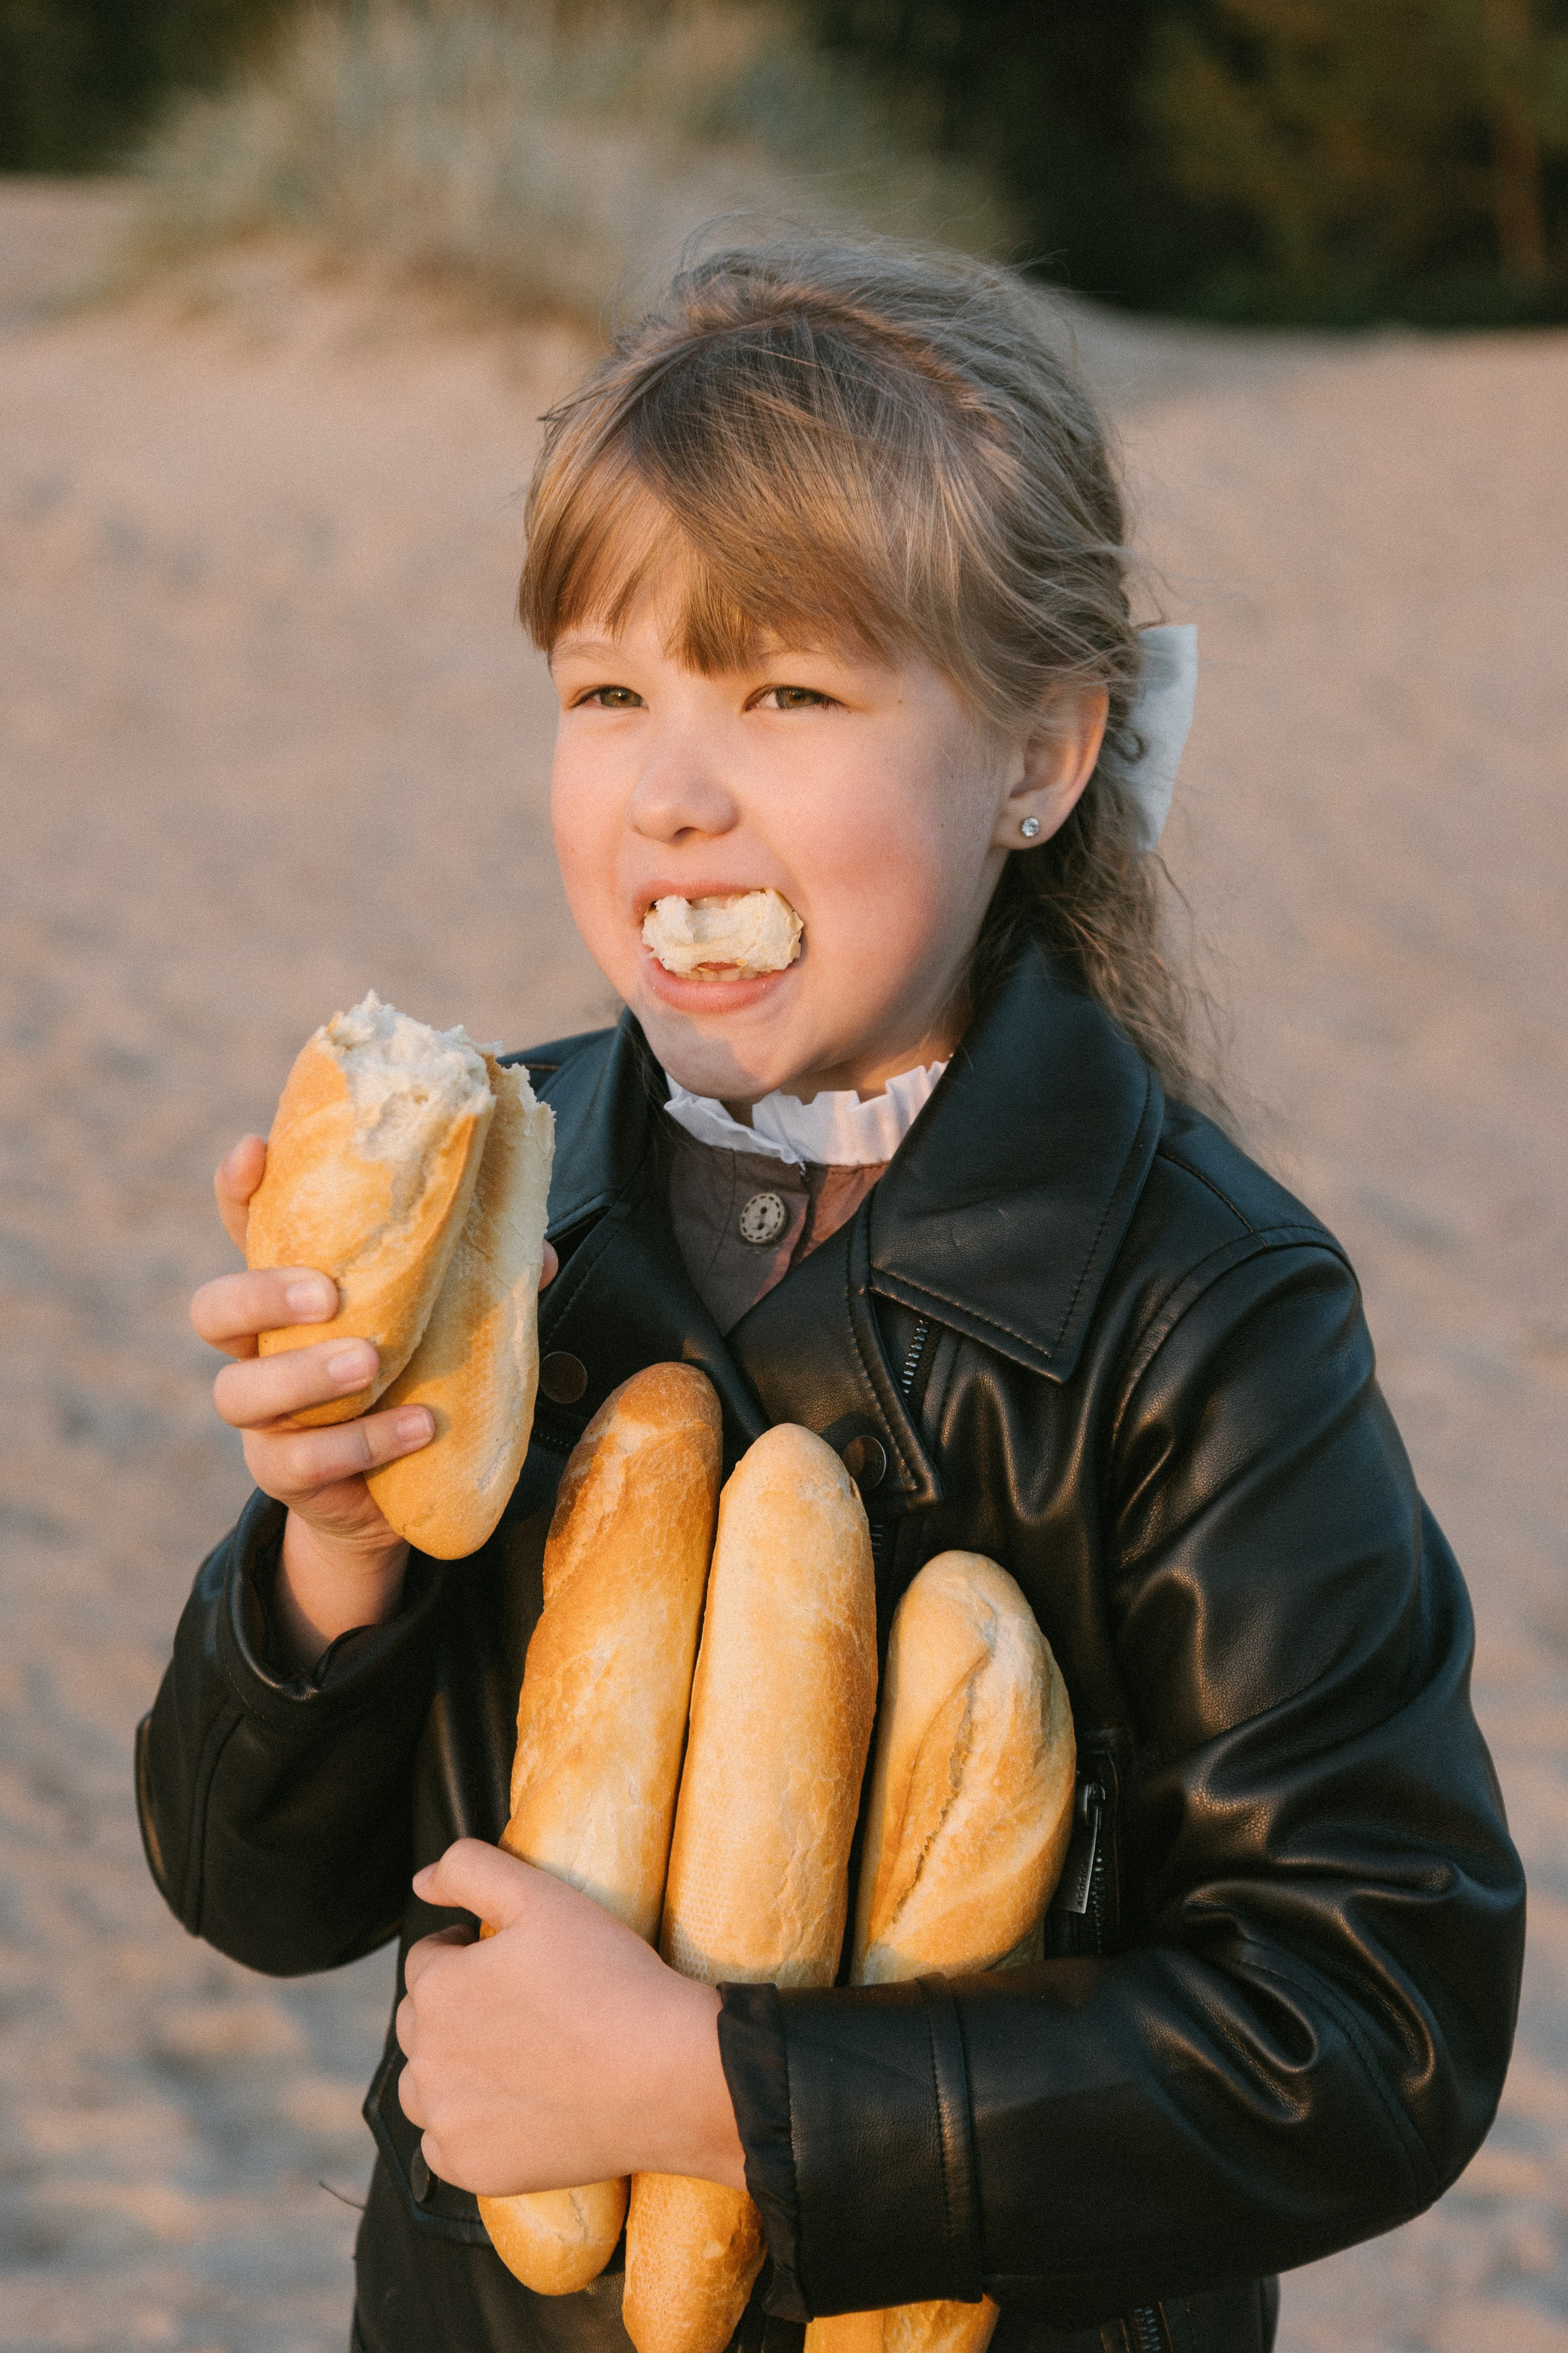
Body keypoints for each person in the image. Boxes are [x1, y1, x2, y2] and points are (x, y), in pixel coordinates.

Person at [137, 234, 1525, 2353]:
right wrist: (333, 1555)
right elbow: (257, 1893)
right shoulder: (519, 1210)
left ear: (1047, 755)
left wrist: (714, 2090)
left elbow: (1372, 2023)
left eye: (786, 691)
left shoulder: (1200, 1312)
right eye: (610, 691)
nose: (674, 790)